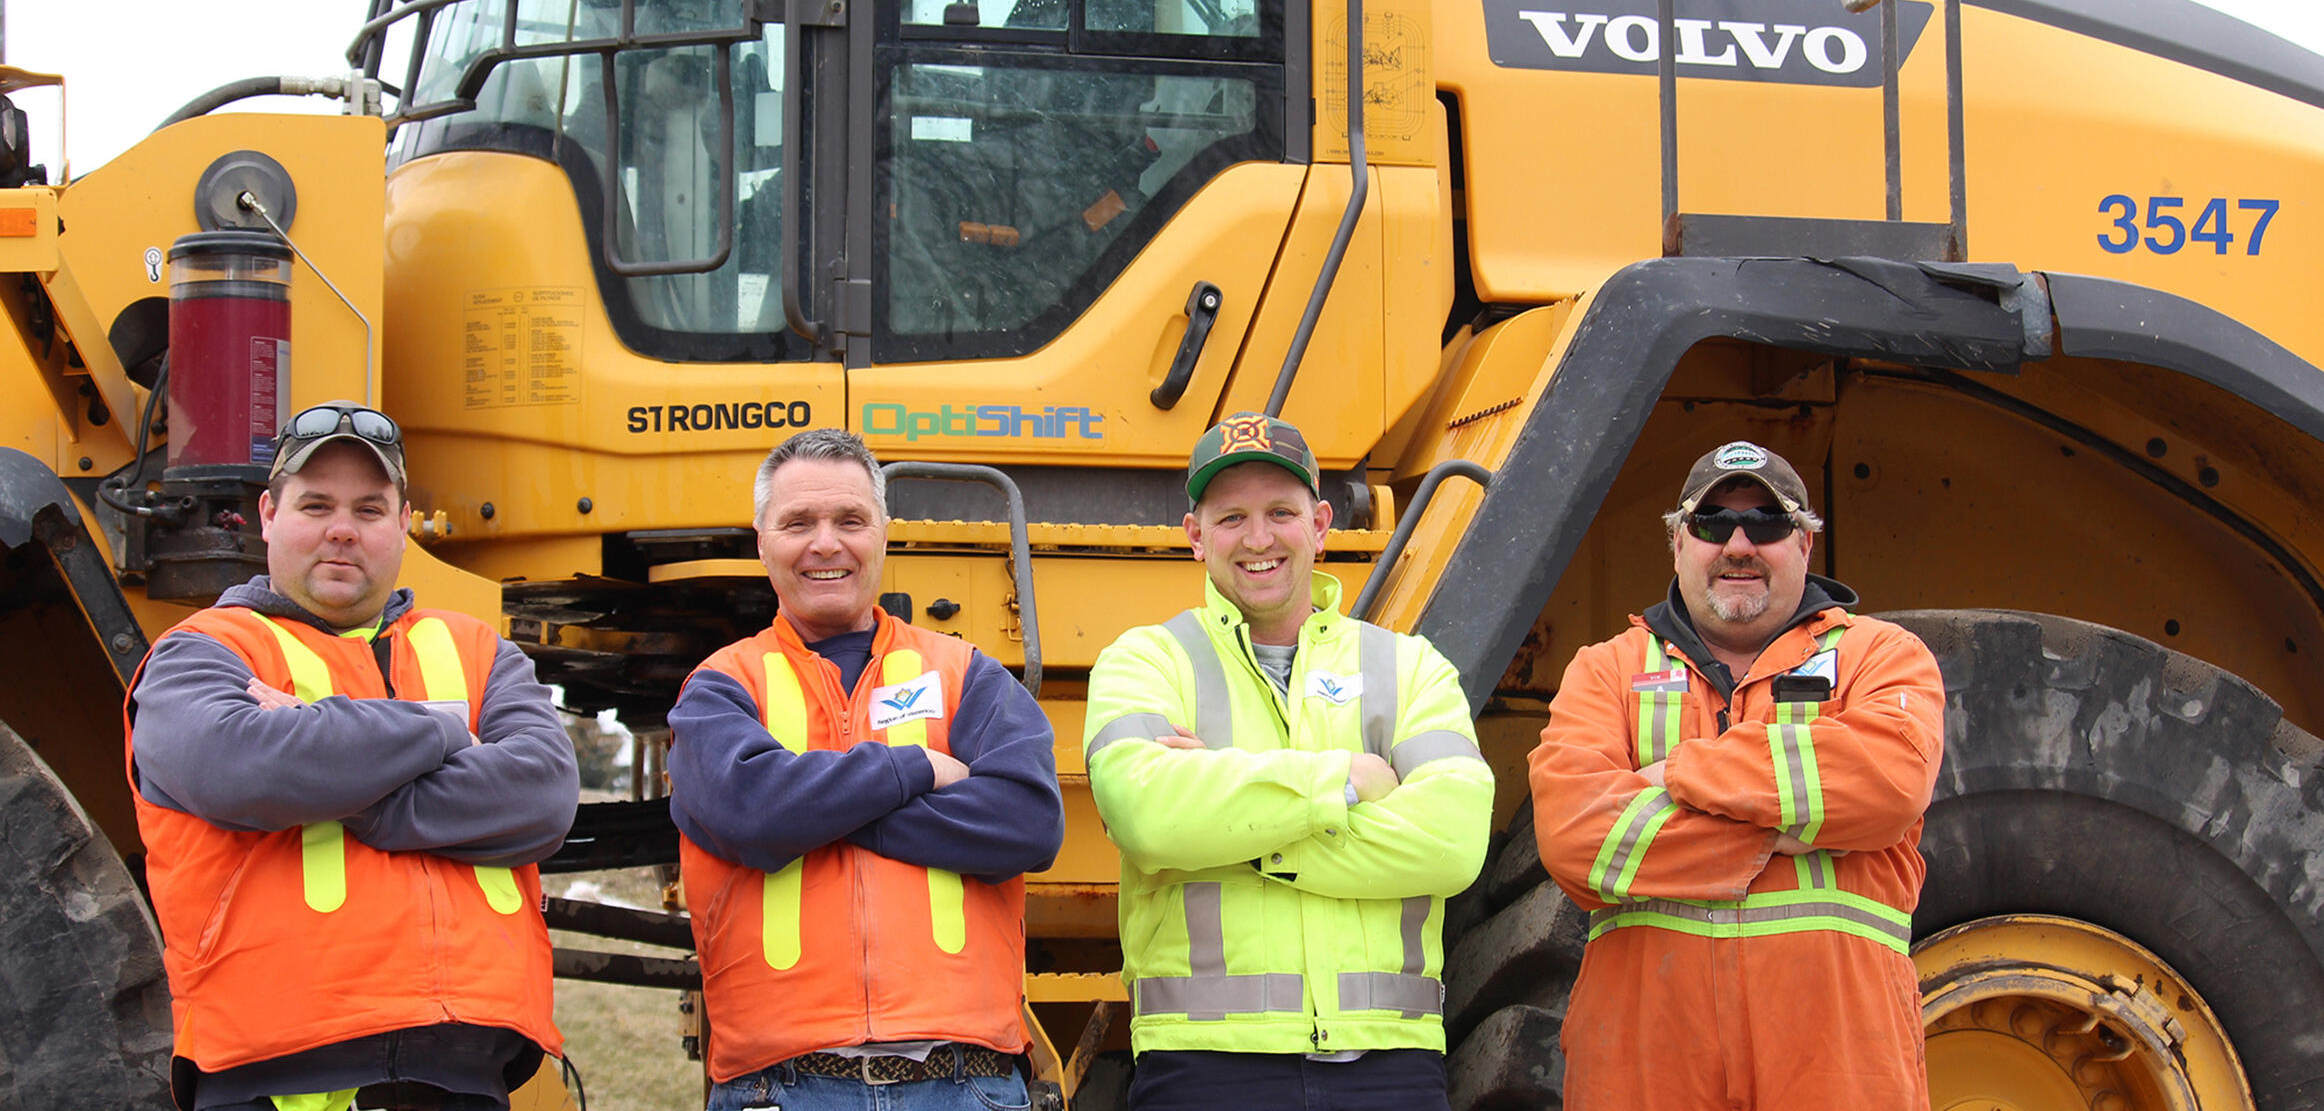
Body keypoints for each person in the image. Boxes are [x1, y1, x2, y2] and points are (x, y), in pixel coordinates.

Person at [125, 401, 579, 1111]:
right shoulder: (202, 650)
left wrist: (324, 761)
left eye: (370, 509)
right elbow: (239, 771)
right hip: (272, 1075)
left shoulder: (481, 651)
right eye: (316, 505)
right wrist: (442, 731)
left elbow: (542, 799)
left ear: (401, 526)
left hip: (458, 1071)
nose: (342, 529)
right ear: (270, 516)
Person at [1082, 412, 1494, 1111]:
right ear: (1195, 537)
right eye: (1232, 517)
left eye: (1281, 512)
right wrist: (1343, 778)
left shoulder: (1408, 665)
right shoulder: (1146, 660)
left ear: (1321, 523)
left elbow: (1453, 843)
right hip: (1205, 1064)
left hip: (1390, 1063)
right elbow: (1148, 817)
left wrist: (1233, 831)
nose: (1259, 538)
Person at [1530, 440, 1945, 1109]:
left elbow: (1889, 781)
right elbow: (1577, 838)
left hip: (1837, 1060)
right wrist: (1784, 829)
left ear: (1806, 546)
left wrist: (1679, 772)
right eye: (1714, 523)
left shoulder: (1882, 655)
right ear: (1677, 544)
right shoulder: (1605, 669)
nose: (1740, 543)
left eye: (1769, 524)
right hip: (1647, 1064)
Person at [667, 428, 1065, 1111]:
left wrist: (810, 811)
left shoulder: (969, 675)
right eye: (798, 523)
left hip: (966, 1082)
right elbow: (747, 811)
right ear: (761, 539)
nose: (827, 544)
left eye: (850, 520)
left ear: (884, 532)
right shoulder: (718, 687)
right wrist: (910, 769)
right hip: (782, 1087)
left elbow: (1027, 824)